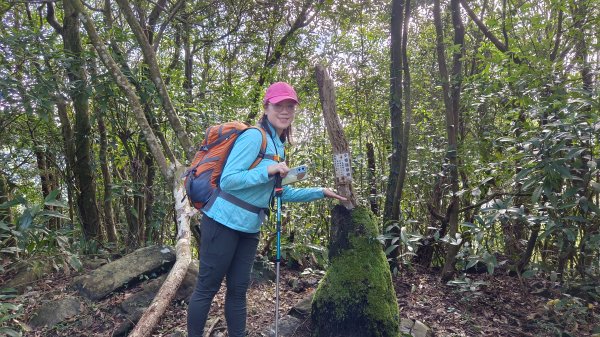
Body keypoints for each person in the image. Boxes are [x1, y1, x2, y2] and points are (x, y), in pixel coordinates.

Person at [187, 82, 347, 337]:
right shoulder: (254, 136)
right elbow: (229, 180)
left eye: (290, 107)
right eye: (279, 105)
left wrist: (320, 192)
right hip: (222, 222)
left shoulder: (278, 145)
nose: (285, 111)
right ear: (267, 106)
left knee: (239, 290)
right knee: (208, 286)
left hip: (250, 227)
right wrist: (267, 170)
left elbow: (278, 192)